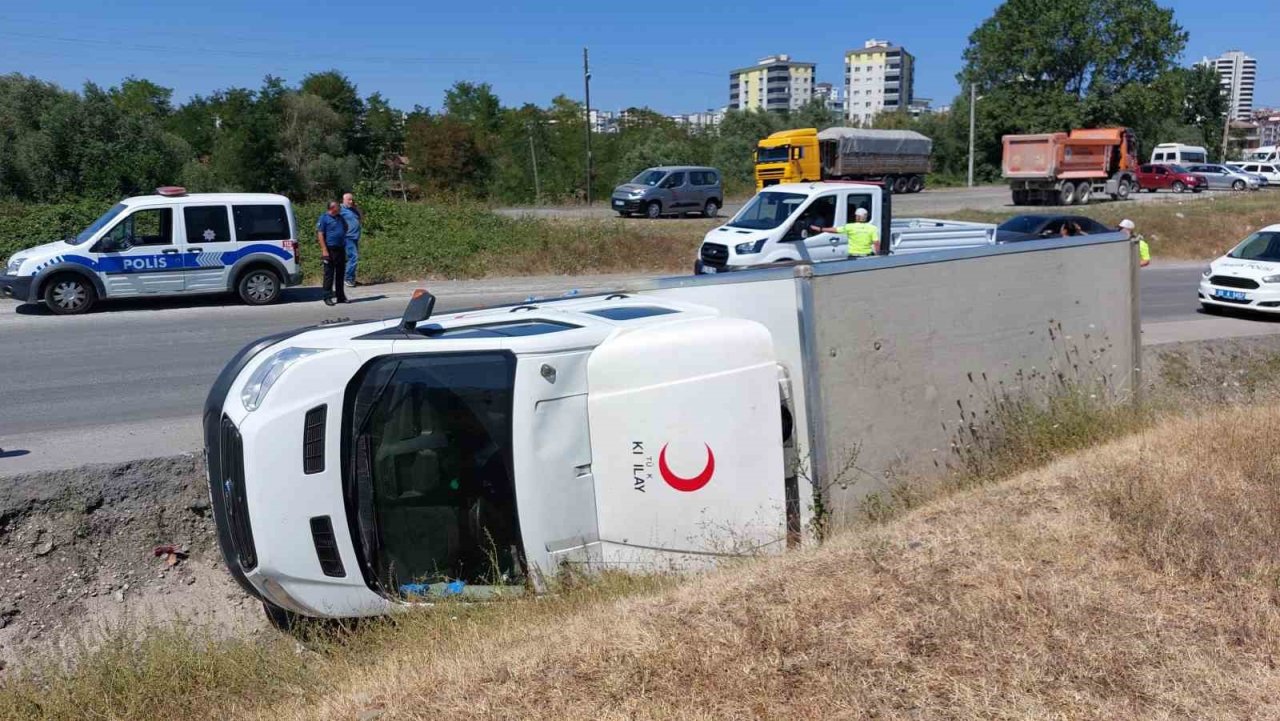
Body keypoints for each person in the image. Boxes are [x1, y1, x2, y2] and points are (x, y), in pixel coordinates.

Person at [810, 206, 880, 258]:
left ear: (857, 217)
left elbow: (834, 230)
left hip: (853, 256)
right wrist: (877, 255)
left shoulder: (850, 227)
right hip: (867, 256)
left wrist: (820, 229)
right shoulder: (872, 228)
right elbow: (876, 243)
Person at [316, 201, 348, 304]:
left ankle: (341, 297)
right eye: (338, 207)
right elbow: (320, 234)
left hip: (340, 248)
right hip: (329, 249)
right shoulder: (324, 218)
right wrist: (324, 250)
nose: (340, 208)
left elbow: (346, 227)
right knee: (329, 274)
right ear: (332, 208)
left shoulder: (340, 217)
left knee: (340, 273)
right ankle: (327, 297)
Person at [340, 192, 363, 287]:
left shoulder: (353, 210)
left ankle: (352, 279)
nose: (351, 201)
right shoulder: (341, 209)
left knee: (353, 258)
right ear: (344, 200)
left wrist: (356, 207)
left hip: (355, 236)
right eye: (349, 199)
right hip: (348, 237)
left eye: (352, 199)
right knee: (353, 257)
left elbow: (361, 217)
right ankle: (348, 278)